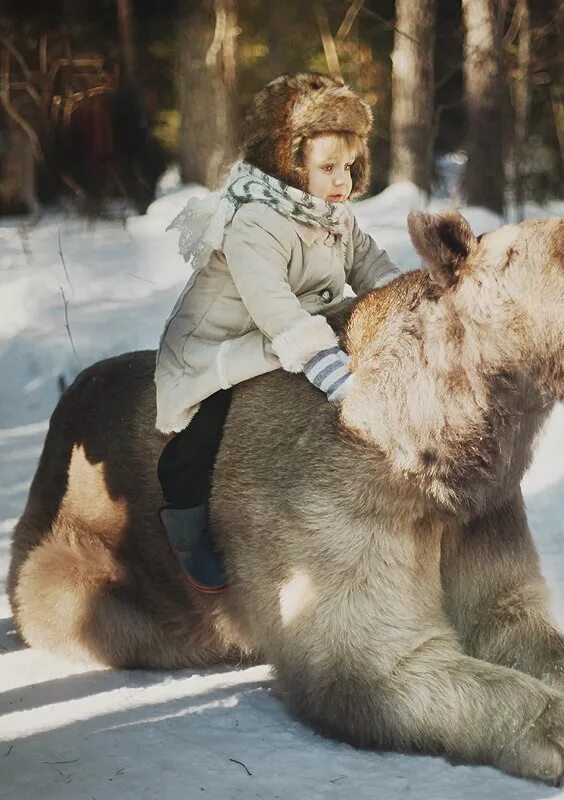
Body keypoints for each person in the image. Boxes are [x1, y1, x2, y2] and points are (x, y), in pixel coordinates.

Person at [154, 73, 401, 592]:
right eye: (327, 167)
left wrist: (407, 298)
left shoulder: (333, 215)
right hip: (218, 346)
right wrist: (330, 368)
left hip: (281, 335)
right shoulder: (256, 222)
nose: (342, 181)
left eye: (350, 167)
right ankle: (185, 522)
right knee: (205, 431)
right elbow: (274, 306)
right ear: (290, 163)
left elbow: (370, 265)